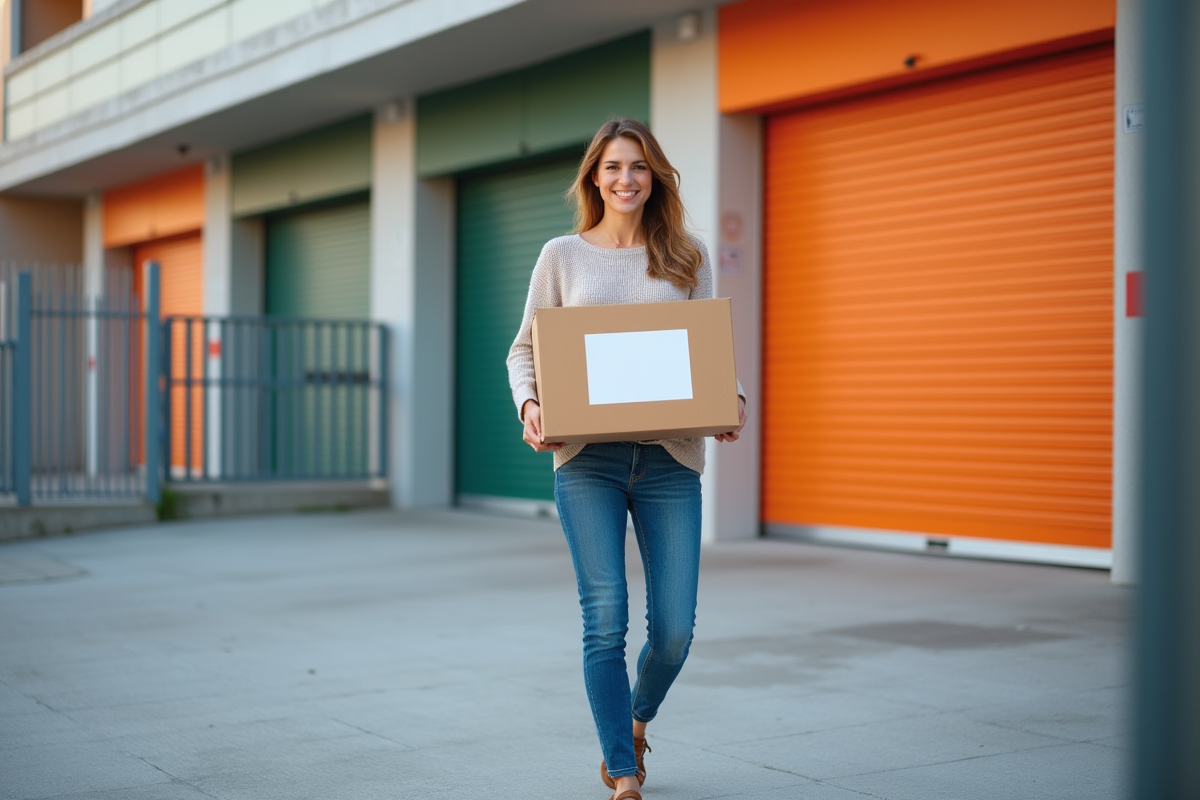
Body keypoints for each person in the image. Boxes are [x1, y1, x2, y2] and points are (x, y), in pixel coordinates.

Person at [506, 117, 747, 800]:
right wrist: (531, 406)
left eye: (638, 166)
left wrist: (731, 397)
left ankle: (637, 721)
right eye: (613, 166)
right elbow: (524, 349)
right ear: (594, 176)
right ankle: (621, 768)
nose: (626, 178)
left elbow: (707, 347)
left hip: (670, 461)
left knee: (673, 632)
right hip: (588, 462)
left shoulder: (686, 254)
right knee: (605, 616)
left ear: (655, 176)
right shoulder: (561, 256)